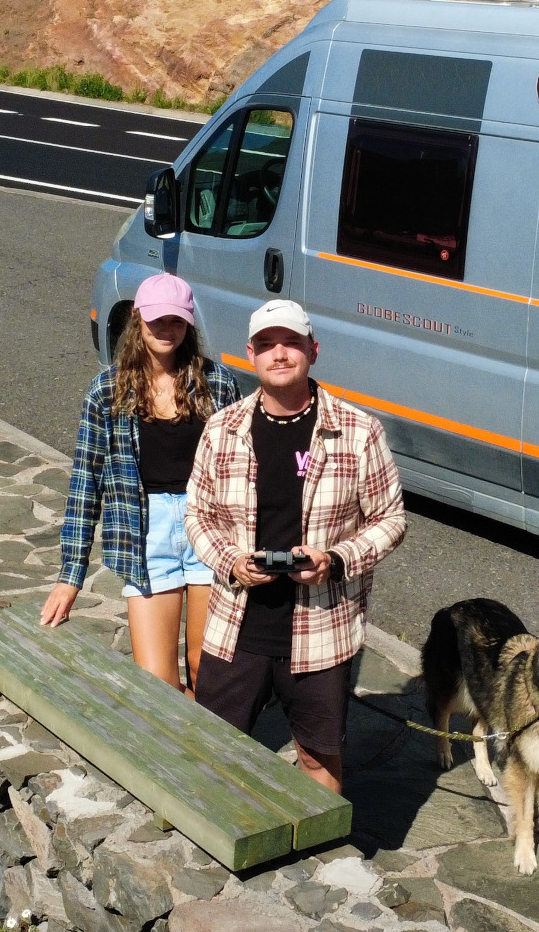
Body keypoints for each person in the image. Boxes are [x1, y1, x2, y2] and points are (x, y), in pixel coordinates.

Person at [186, 299, 406, 793]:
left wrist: (336, 560)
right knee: (213, 752)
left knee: (318, 758)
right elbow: (198, 516)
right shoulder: (222, 429)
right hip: (237, 624)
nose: (279, 353)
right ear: (250, 354)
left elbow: (391, 519)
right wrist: (232, 562)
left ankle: (320, 841)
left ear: (313, 350)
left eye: (291, 343)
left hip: (321, 629)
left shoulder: (358, 431)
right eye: (266, 344)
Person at [42, 274, 240, 696]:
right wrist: (71, 574)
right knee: (156, 682)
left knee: (208, 670)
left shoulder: (219, 384)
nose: (167, 329)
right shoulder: (107, 391)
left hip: (209, 527)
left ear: (189, 323)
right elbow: (85, 483)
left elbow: (244, 470)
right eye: (157, 320)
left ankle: (205, 735)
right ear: (138, 318)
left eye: (177, 320)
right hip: (145, 533)